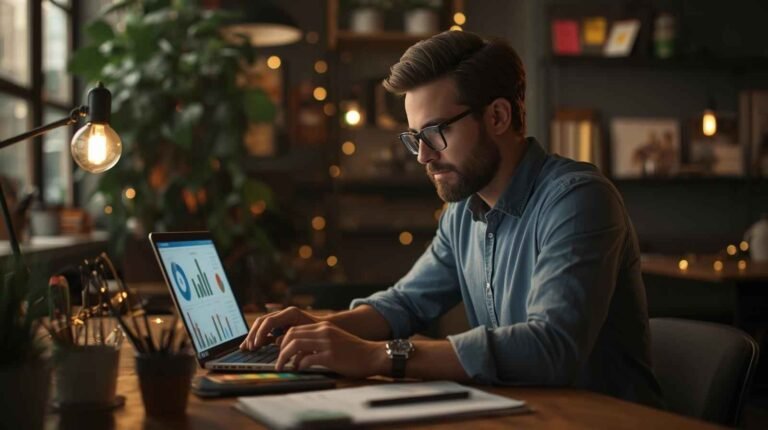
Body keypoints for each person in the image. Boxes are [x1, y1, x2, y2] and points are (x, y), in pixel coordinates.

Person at [241, 30, 662, 407]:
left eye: (436, 132)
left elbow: (550, 346)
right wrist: (318, 326)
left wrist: (374, 356)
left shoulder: (578, 199)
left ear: (497, 116)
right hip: (523, 415)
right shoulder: (463, 211)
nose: (423, 155)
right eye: (414, 138)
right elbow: (406, 303)